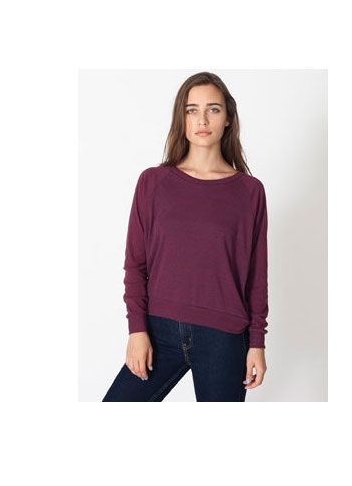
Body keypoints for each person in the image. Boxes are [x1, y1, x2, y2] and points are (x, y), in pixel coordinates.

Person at [102, 71, 269, 402]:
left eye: (213, 109)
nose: (202, 120)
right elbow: (135, 263)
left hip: (224, 337)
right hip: (158, 330)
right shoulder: (153, 183)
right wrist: (137, 330)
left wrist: (257, 343)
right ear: (182, 118)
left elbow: (256, 276)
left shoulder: (249, 192)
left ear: (228, 118)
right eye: (192, 110)